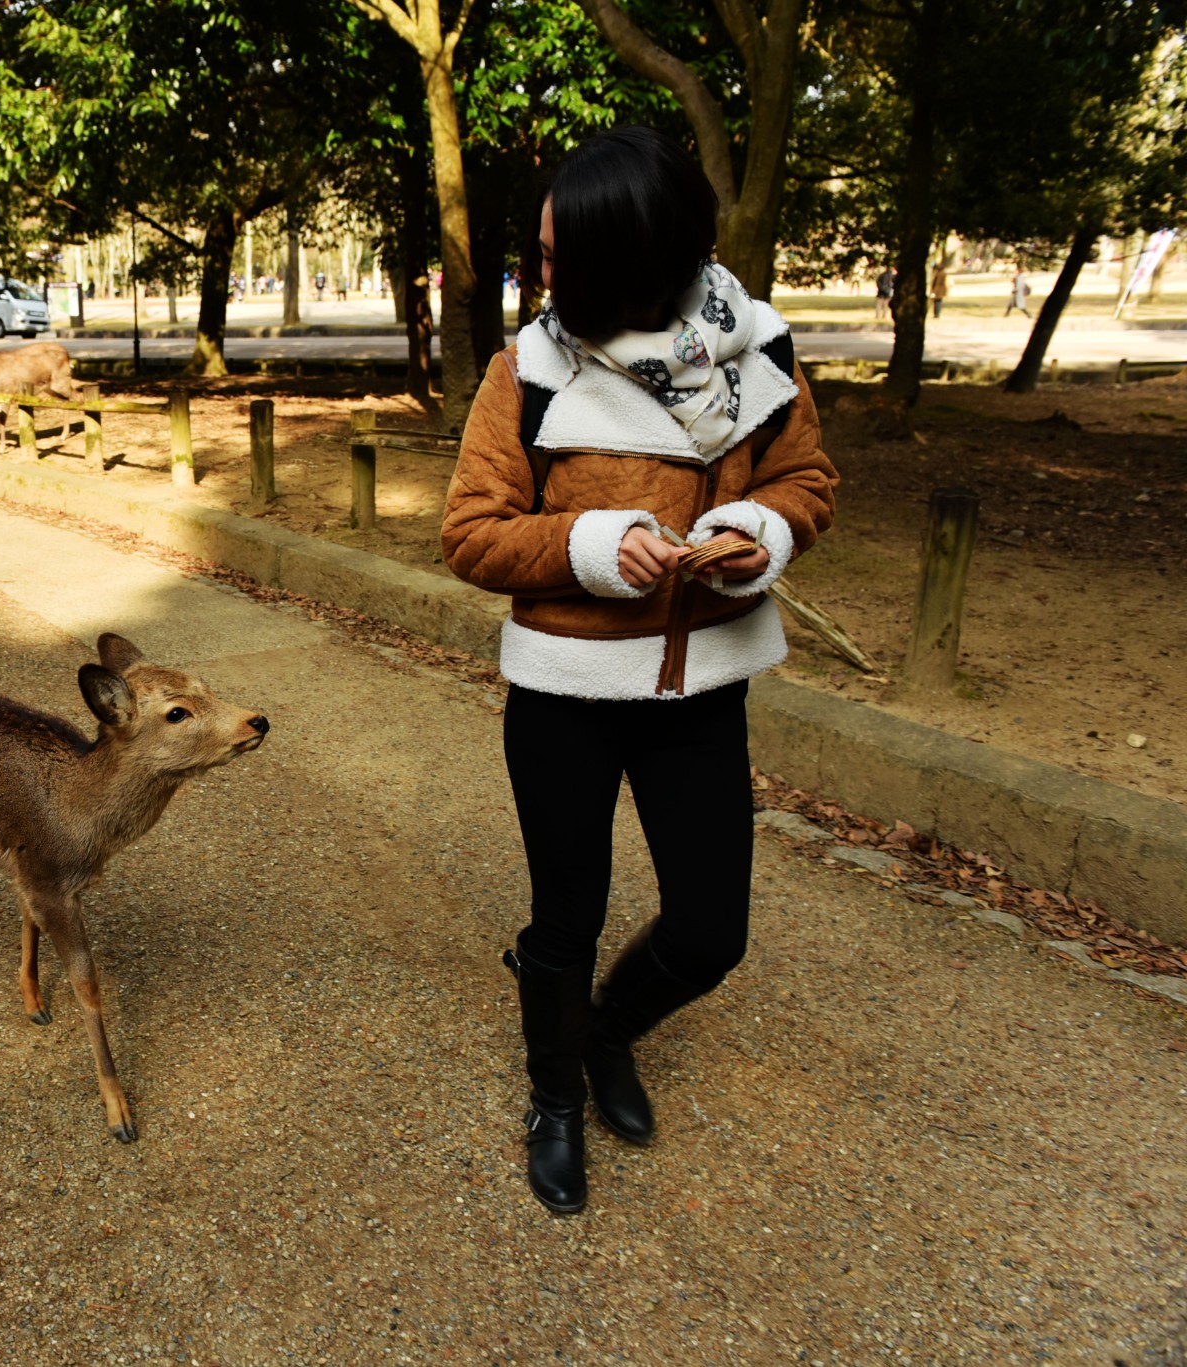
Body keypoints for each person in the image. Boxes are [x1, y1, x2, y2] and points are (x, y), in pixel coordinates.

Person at [440, 126, 838, 1215]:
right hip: (562, 695)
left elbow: (805, 478)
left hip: (702, 691)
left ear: (644, 256)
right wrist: (588, 545)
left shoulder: (755, 351)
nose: (543, 276)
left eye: (565, 258)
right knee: (564, 916)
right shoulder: (526, 368)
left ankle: (606, 1030)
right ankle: (554, 1092)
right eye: (541, 252)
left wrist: (762, 528)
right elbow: (471, 533)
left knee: (711, 931)